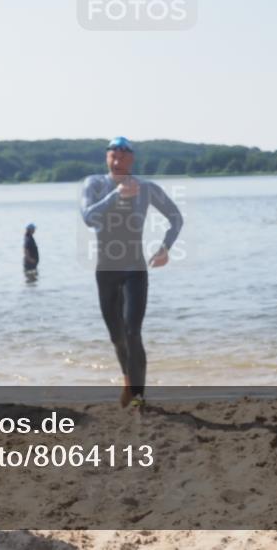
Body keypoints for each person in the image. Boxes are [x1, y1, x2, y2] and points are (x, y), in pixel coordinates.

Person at [80, 137, 183, 409]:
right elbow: (88, 217)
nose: (118, 161)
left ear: (132, 160)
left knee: (132, 331)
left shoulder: (146, 188)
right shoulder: (94, 184)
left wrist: (165, 248)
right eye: (113, 156)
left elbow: (175, 217)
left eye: (124, 157)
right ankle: (128, 381)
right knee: (117, 336)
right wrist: (117, 195)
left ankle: (139, 396)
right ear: (107, 158)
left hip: (135, 269)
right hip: (106, 270)